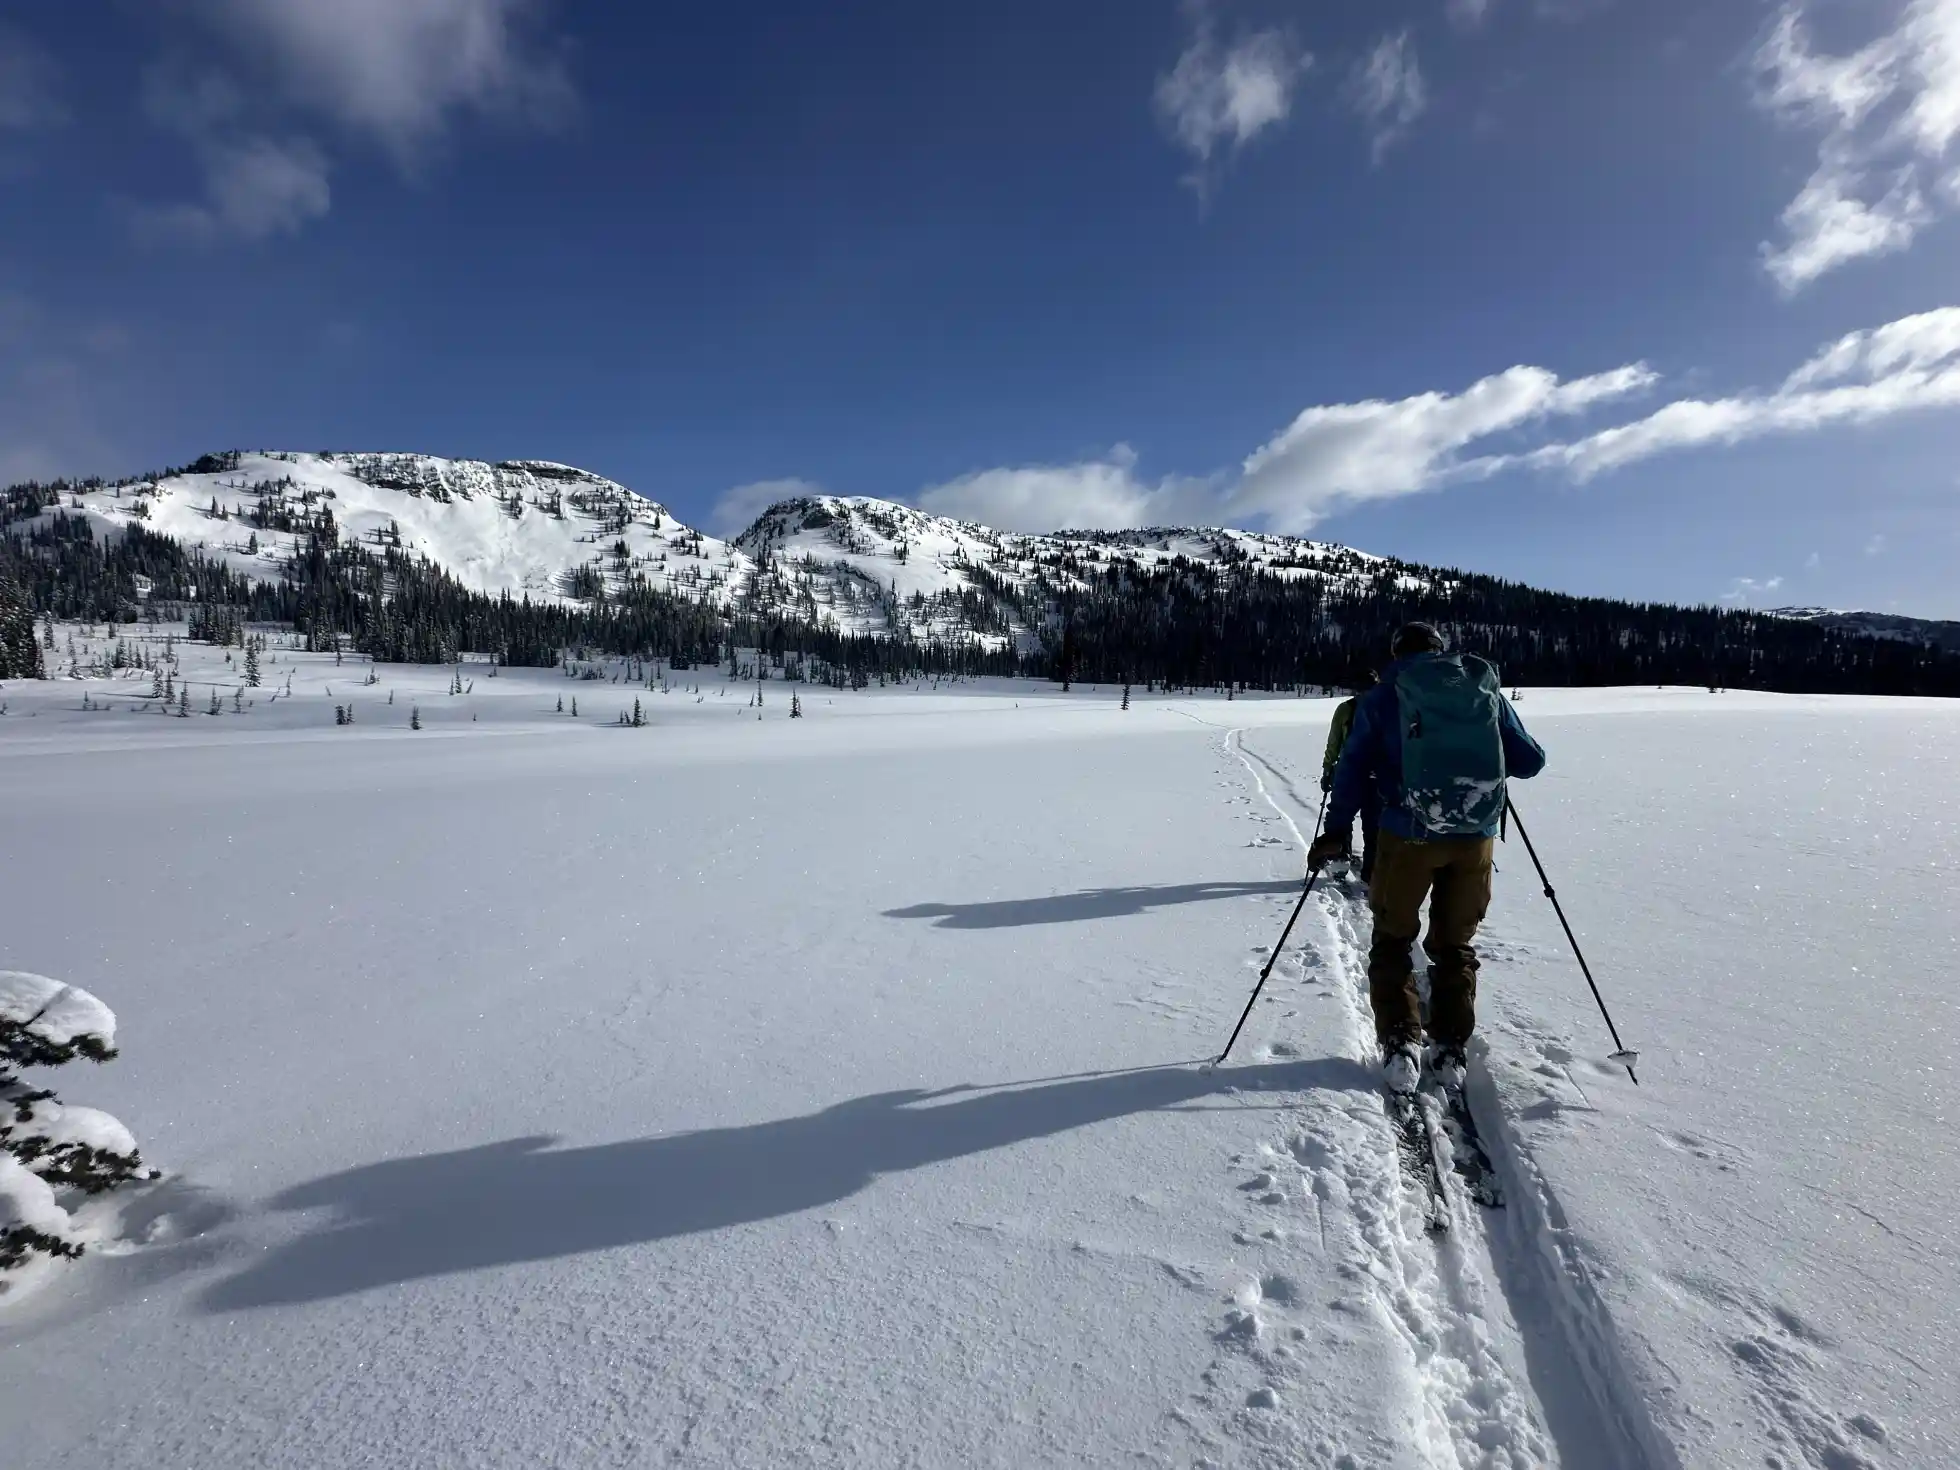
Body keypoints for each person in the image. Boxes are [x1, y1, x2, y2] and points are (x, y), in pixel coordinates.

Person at [1307, 622, 1546, 1095]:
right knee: (1455, 945)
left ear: (1396, 653)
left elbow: (1352, 770)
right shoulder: (1482, 693)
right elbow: (1529, 761)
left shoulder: (1383, 697)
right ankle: (1451, 1047)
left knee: (1394, 938)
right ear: (1441, 651)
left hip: (1406, 837)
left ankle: (1400, 1043)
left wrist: (1335, 830)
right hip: (1475, 840)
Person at [1320, 677, 1382, 882]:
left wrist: (1328, 769)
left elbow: (1334, 742)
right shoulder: (1388, 708)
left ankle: (1340, 861)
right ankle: (1372, 872)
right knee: (1375, 824)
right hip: (1379, 775)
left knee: (1340, 819)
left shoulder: (1346, 709)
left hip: (1349, 773)